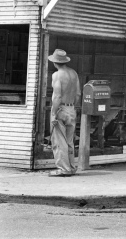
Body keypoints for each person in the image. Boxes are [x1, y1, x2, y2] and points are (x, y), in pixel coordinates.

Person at [48, 49, 81, 177]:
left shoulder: (57, 75)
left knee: (59, 141)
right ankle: (71, 167)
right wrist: (72, 107)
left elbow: (57, 97)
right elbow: (78, 93)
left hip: (61, 109)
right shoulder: (74, 73)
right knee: (69, 141)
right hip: (71, 108)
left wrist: (53, 113)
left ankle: (63, 169)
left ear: (55, 63)